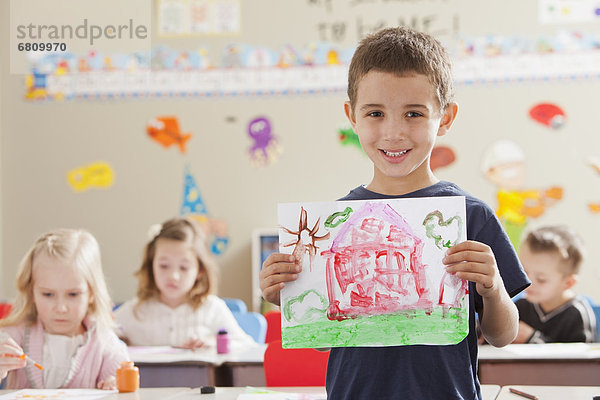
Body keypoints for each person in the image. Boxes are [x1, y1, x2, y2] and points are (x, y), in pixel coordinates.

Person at [259, 27, 530, 399]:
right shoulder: (332, 223)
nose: (394, 133)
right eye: (375, 113)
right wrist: (289, 299)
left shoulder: (471, 215)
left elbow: (503, 336)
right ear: (351, 116)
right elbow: (325, 343)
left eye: (414, 114)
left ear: (446, 117)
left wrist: (494, 288)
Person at [0, 229, 128, 389]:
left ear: (91, 294)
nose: (61, 308)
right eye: (48, 294)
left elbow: (124, 386)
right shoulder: (12, 337)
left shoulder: (105, 344)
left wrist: (117, 386)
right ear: (31, 292)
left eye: (73, 294)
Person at [114, 217, 255, 350]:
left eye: (184, 268)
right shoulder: (135, 310)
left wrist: (213, 342)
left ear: (199, 270)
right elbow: (101, 335)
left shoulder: (212, 309)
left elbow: (248, 346)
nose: (173, 276)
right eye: (164, 265)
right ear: (151, 266)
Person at [514, 225, 597, 343]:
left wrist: (532, 339)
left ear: (568, 283)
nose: (528, 282)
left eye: (541, 279)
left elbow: (580, 358)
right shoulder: (520, 306)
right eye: (524, 272)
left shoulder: (577, 313)